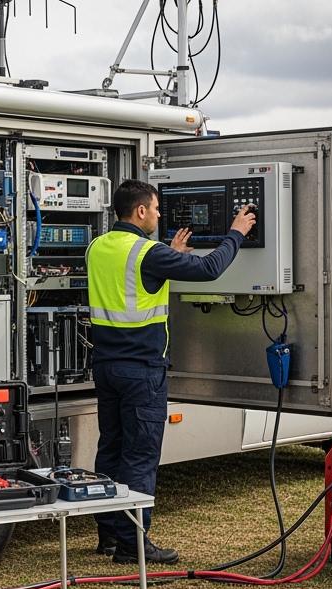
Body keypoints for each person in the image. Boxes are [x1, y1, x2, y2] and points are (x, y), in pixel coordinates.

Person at [87, 179, 256, 564]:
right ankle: (134, 546)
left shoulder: (98, 247)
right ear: (141, 211)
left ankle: (110, 536)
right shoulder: (147, 252)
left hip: (106, 367)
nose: (161, 214)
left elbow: (132, 282)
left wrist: (168, 253)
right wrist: (236, 232)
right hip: (142, 371)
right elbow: (210, 268)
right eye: (157, 208)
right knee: (140, 456)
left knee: (110, 450)